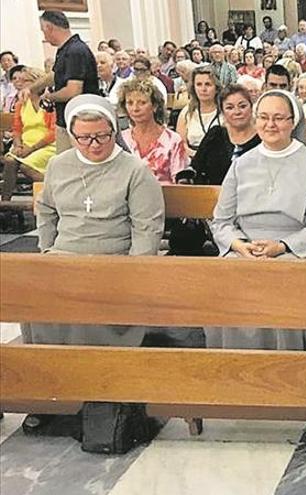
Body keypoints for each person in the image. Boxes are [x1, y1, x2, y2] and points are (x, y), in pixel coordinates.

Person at [25, 94, 163, 433]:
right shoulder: (59, 165)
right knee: (35, 301)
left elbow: (147, 229)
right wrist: (47, 255)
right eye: (84, 138)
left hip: (113, 261)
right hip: (64, 257)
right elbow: (47, 212)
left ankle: (104, 388)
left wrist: (133, 274)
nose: (94, 144)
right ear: (72, 136)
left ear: (113, 130)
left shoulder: (134, 170)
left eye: (102, 135)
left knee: (94, 299)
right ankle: (51, 393)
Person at [208, 90, 306, 350]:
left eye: (279, 118)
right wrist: (238, 245)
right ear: (256, 120)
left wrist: (281, 246)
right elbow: (221, 221)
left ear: (293, 122)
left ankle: (284, 366)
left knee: (280, 284)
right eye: (264, 117)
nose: (270, 125)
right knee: (220, 284)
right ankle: (232, 367)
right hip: (245, 250)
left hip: (299, 251)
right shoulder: (241, 164)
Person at [38, 10, 100, 152]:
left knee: (71, 166)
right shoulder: (65, 50)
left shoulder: (75, 51)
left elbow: (73, 91)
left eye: (43, 31)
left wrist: (49, 97)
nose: (45, 36)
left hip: (79, 121)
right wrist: (32, 88)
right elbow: (54, 76)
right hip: (67, 119)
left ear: (49, 27)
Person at [184, 84, 260, 187]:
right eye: (230, 107)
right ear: (223, 112)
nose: (237, 112)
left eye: (242, 106)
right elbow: (196, 167)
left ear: (251, 107)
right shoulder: (215, 135)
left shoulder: (262, 139)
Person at [119, 79, 188, 184]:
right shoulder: (121, 139)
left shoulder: (173, 140)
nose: (135, 108)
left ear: (155, 106)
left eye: (142, 103)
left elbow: (180, 185)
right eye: (130, 103)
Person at [1, 67, 55, 200]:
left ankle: (53, 193)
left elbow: (53, 132)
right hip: (26, 145)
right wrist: (18, 145)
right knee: (10, 160)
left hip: (47, 146)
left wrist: (32, 149)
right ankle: (5, 202)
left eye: (25, 81)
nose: (20, 84)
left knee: (27, 166)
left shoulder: (48, 102)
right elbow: (17, 129)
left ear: (37, 82)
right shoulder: (21, 104)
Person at [176, 66, 222, 156]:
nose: (203, 89)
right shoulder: (186, 113)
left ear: (216, 88)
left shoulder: (226, 111)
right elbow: (181, 144)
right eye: (199, 84)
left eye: (208, 84)